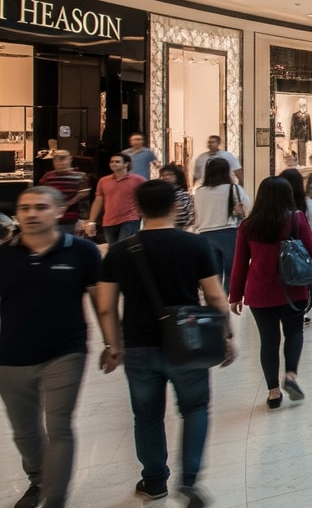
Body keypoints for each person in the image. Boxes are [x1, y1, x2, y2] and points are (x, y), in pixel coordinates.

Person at [96, 180, 234, 504]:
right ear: (176, 207)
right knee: (195, 407)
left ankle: (155, 480)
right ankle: (190, 479)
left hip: (139, 347)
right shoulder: (195, 246)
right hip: (189, 344)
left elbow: (105, 306)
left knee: (146, 415)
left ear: (138, 209)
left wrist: (113, 346)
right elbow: (215, 296)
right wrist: (225, 335)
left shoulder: (119, 251)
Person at [0, 187, 103, 508]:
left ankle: (54, 499)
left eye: (40, 207)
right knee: (24, 433)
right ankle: (40, 480)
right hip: (11, 356)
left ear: (59, 212)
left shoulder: (83, 251)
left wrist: (113, 341)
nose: (31, 214)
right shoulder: (4, 255)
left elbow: (102, 302)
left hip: (66, 350)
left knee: (58, 426)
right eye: (25, 208)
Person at [229, 177, 312, 408]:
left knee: (269, 340)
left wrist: (235, 295)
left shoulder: (248, 225)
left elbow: (239, 263)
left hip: (259, 292)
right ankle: (291, 375)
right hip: (292, 288)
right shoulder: (295, 219)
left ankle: (273, 392)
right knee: (294, 332)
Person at [190, 157, 247, 295]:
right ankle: (228, 299)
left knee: (212, 272)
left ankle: (214, 300)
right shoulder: (233, 188)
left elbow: (196, 213)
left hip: (205, 234)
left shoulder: (199, 192)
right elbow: (247, 208)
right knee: (231, 270)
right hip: (229, 232)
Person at [87, 152, 145, 244]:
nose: (113, 164)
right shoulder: (103, 181)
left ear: (126, 164)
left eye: (117, 162)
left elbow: (145, 198)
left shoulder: (138, 180)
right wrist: (91, 221)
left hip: (130, 219)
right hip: (108, 220)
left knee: (124, 248)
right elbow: (98, 201)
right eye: (112, 161)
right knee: (113, 250)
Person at [38, 149, 90, 235]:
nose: (58, 161)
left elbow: (84, 198)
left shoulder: (81, 176)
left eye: (62, 158)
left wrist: (84, 221)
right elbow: (40, 195)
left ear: (70, 159)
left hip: (71, 220)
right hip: (50, 219)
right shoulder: (47, 176)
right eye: (55, 158)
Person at [161, 164, 196, 230]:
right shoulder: (160, 194)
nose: (167, 177)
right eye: (164, 175)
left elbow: (190, 213)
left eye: (170, 174)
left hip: (181, 228)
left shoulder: (183, 194)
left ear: (177, 176)